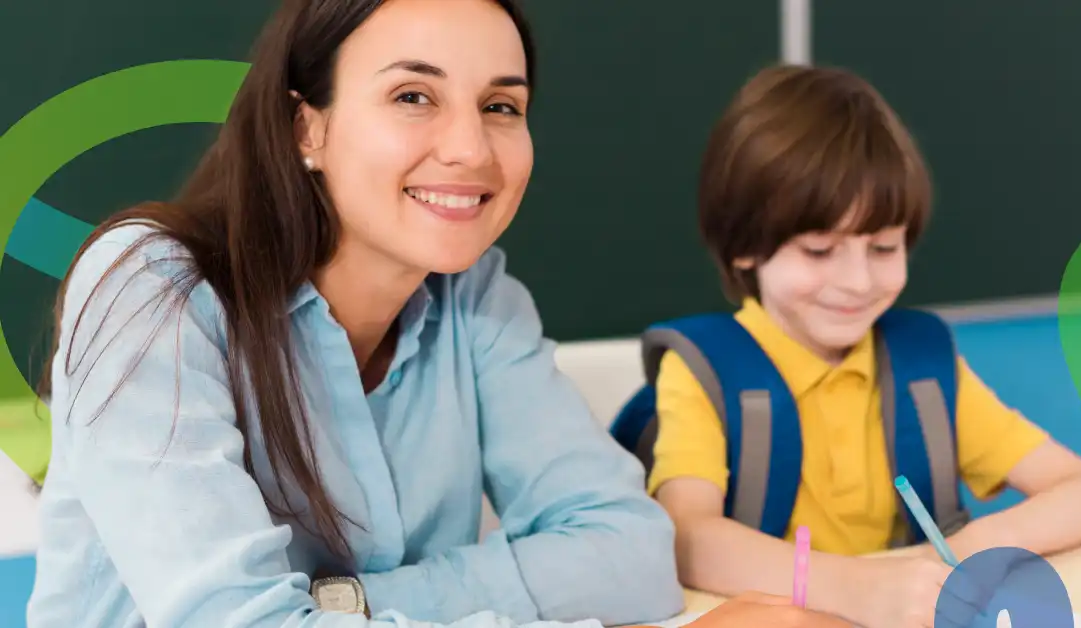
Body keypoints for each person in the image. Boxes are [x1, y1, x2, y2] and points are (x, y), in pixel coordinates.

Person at [21, 1, 844, 627]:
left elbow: (630, 556)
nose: (470, 149)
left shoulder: (478, 298)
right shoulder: (151, 286)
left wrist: (344, 602)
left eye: (501, 106)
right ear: (305, 124)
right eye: (414, 95)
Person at [624, 65, 1081, 628]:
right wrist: (851, 588)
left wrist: (973, 547)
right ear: (744, 248)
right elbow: (687, 537)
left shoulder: (922, 366)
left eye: (884, 248)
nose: (859, 281)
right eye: (819, 251)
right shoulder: (706, 371)